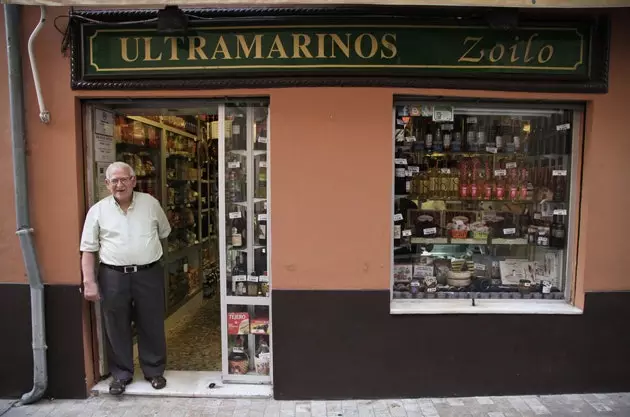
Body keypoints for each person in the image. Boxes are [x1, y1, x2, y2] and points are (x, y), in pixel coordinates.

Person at [80, 161, 172, 395]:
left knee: (151, 322)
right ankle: (121, 375)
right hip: (113, 276)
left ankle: (154, 371)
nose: (119, 184)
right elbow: (88, 249)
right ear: (107, 183)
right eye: (114, 180)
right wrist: (89, 281)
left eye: (124, 179)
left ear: (133, 180)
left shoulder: (150, 204)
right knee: (115, 324)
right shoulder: (98, 210)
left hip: (148, 273)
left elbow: (164, 232)